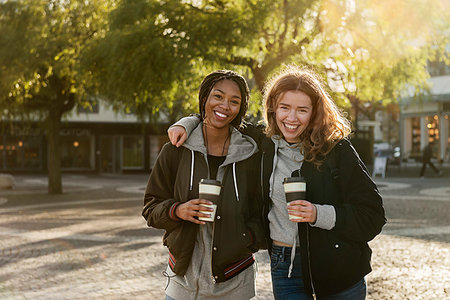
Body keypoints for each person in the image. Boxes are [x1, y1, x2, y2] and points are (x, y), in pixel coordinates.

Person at [168, 65, 386, 299]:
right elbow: (220, 117)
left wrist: (317, 214)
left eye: (302, 110)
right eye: (284, 108)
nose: (291, 118)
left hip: (338, 267)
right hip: (285, 267)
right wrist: (187, 122)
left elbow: (373, 216)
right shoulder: (263, 143)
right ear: (273, 108)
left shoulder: (337, 149)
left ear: (315, 112)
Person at [143, 70, 265, 300]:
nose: (225, 106)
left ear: (241, 108)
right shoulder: (176, 150)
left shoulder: (251, 154)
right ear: (205, 98)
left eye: (234, 101)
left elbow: (262, 211)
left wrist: (246, 237)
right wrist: (177, 210)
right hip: (183, 283)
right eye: (218, 96)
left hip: (234, 282)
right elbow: (150, 208)